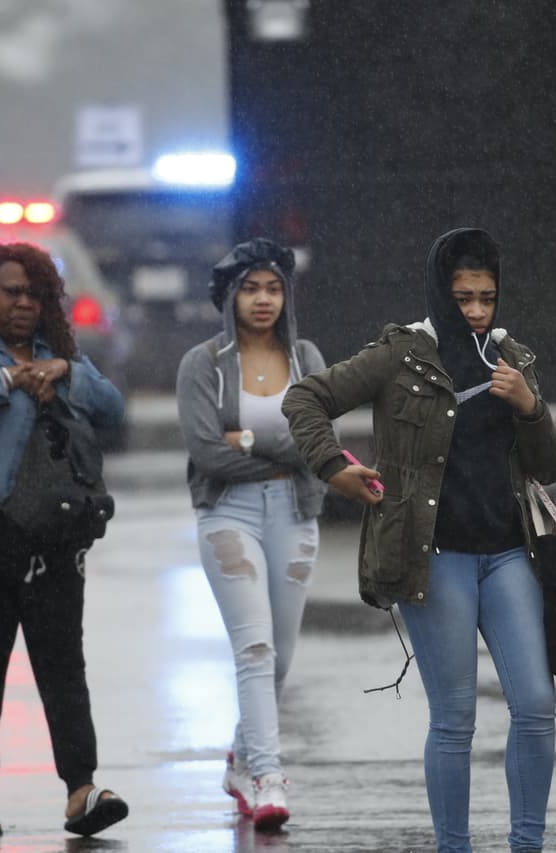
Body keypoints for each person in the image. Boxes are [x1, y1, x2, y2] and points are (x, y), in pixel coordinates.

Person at [283, 227, 556, 853]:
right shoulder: (401, 354)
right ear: (441, 292)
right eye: (462, 297)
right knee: (455, 720)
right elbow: (306, 398)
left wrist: (529, 405)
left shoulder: (510, 355)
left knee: (537, 705)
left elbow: (548, 465)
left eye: (486, 298)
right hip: (434, 558)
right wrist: (336, 468)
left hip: (508, 554)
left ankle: (528, 845)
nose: (474, 311)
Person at [0, 242, 129, 839]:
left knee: (63, 662)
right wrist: (7, 378)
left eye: (35, 293)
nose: (23, 304)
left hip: (54, 531)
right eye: (11, 292)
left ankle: (82, 790)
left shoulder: (59, 351)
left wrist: (65, 374)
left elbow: (112, 408)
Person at [176, 237, 329, 830]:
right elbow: (207, 454)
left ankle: (239, 760)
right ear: (229, 296)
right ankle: (267, 775)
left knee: (282, 656)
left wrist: (250, 442)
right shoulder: (203, 363)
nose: (262, 299)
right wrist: (279, 452)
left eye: (273, 288)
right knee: (255, 648)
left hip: (295, 511)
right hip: (227, 515)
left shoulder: (309, 358)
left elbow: (316, 445)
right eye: (250, 288)